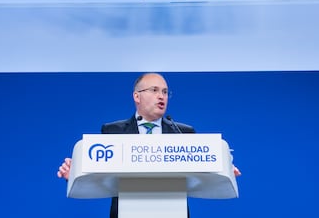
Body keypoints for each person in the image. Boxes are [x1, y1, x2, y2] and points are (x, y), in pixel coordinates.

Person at [57, 72, 241, 217]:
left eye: (165, 92)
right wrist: (74, 172)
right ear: (137, 96)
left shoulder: (184, 133)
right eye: (154, 90)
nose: (161, 96)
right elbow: (99, 174)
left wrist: (223, 169)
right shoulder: (113, 131)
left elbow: (200, 174)